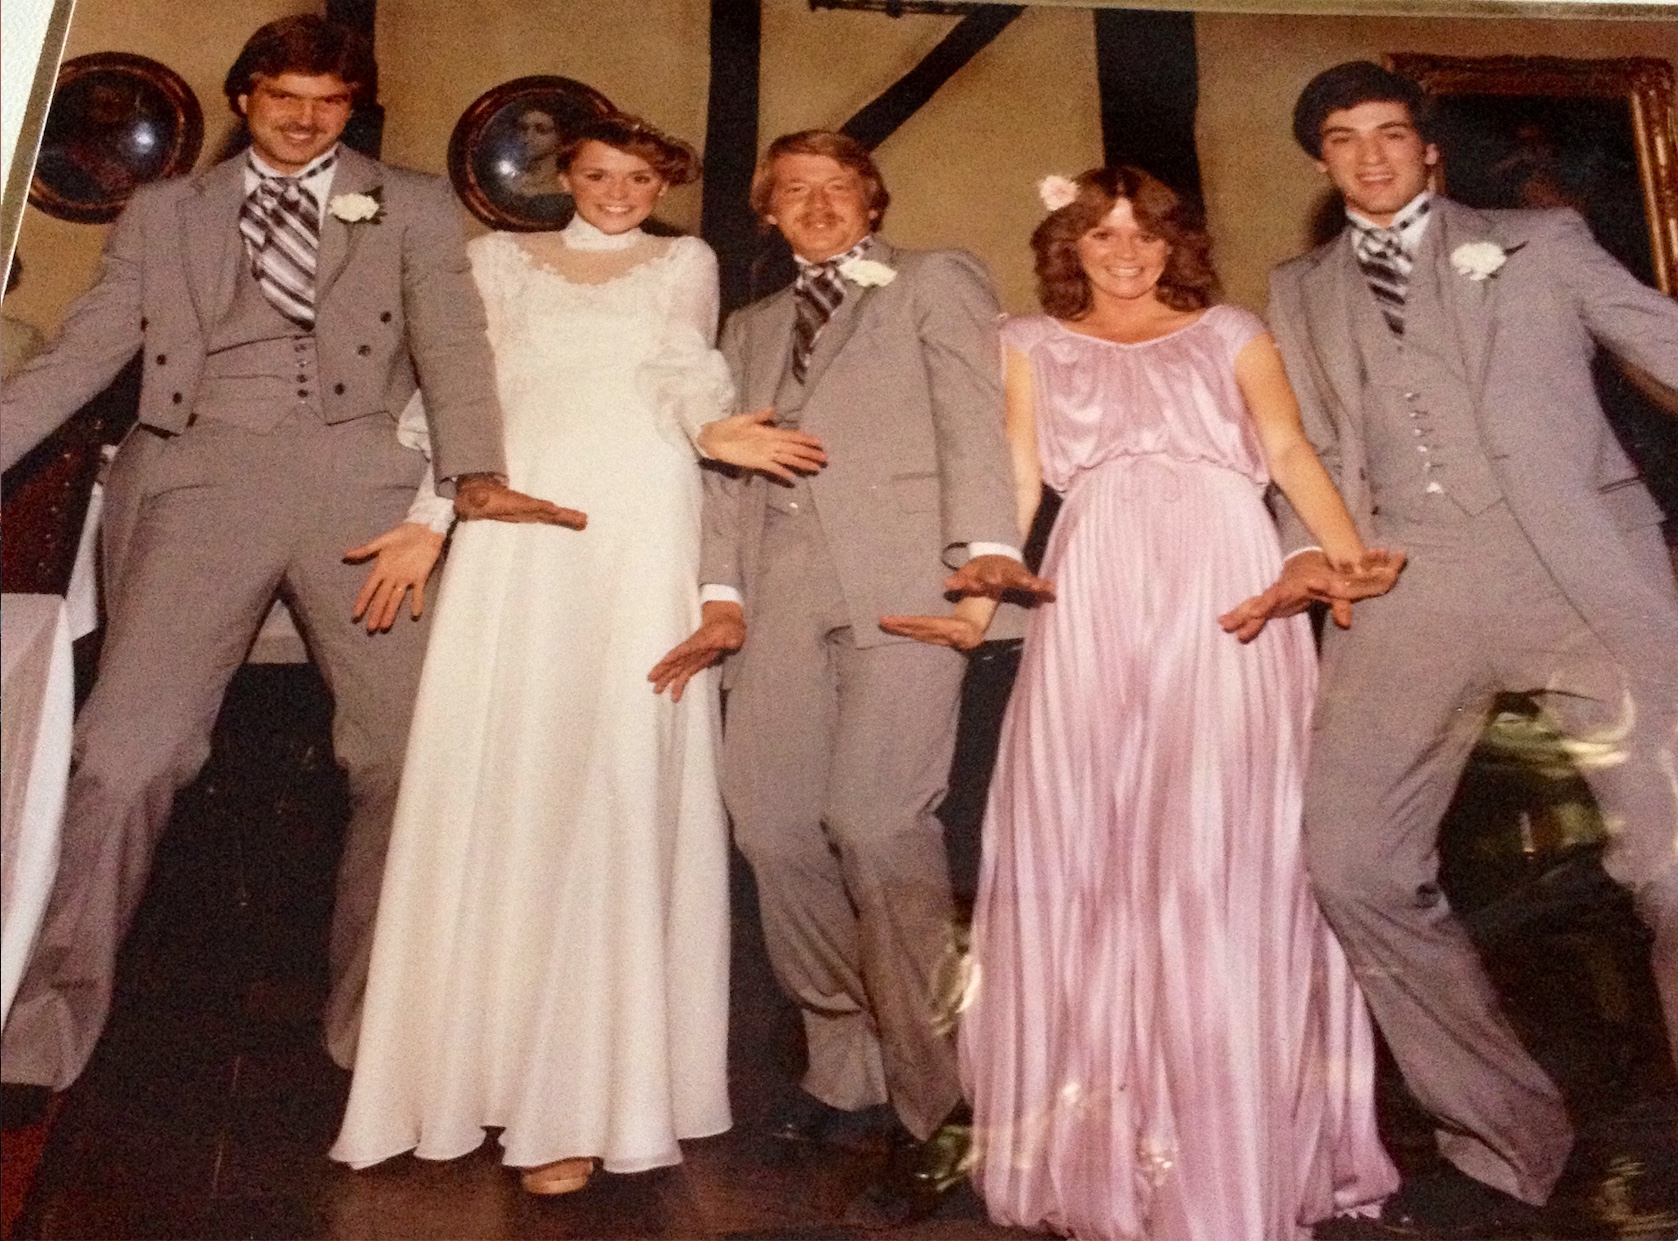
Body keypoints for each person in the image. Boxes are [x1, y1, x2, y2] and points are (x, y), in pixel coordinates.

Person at [0, 15, 570, 1093]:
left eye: (330, 102)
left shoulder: (410, 203)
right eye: (284, 98)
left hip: (364, 485)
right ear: (245, 97)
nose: (306, 121)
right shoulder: (167, 211)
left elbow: (454, 347)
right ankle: (41, 1031)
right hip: (198, 473)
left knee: (407, 755)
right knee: (125, 756)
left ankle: (381, 1028)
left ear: (352, 108)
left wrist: (466, 483)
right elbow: (82, 353)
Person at [884, 166, 1402, 1240]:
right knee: (1091, 843)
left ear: (1175, 244)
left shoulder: (1231, 331)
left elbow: (1288, 451)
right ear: (1067, 245)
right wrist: (978, 607)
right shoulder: (1026, 340)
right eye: (1100, 235)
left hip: (1225, 584)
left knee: (1219, 846)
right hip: (1092, 588)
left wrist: (1345, 560)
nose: (1125, 253)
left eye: (1144, 235)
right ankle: (1106, 1150)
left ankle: (1233, 1148)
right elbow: (1016, 476)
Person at [1222, 61, 1678, 1238]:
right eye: (1343, 137)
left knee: (1674, 869)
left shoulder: (1540, 242)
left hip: (1585, 578)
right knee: (1352, 862)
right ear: (1319, 159)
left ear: (1428, 146)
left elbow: (1663, 340)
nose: (1370, 156)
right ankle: (1504, 1136)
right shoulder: (1298, 288)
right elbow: (1302, 450)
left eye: (1390, 133)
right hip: (1405, 581)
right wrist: (1307, 554)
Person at [330, 115, 823, 1194]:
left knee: (615, 778)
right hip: (523, 528)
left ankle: (589, 1096)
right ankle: (473, 1075)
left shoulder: (685, 263)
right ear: (566, 175)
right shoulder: (496, 261)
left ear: (661, 184)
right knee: (510, 779)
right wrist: (431, 518)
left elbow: (682, 371)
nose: (617, 192)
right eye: (599, 174)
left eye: (639, 178)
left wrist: (714, 431)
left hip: (640, 527)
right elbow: (469, 396)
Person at [650, 129, 1051, 1225]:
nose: (819, 206)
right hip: (779, 599)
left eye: (839, 188)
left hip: (906, 581)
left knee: (877, 825)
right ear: (768, 213)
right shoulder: (748, 326)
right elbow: (726, 470)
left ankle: (941, 1106)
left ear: (873, 200)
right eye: (795, 192)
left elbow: (972, 410)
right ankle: (847, 1063)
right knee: (771, 825)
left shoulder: (933, 277)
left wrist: (984, 545)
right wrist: (720, 593)